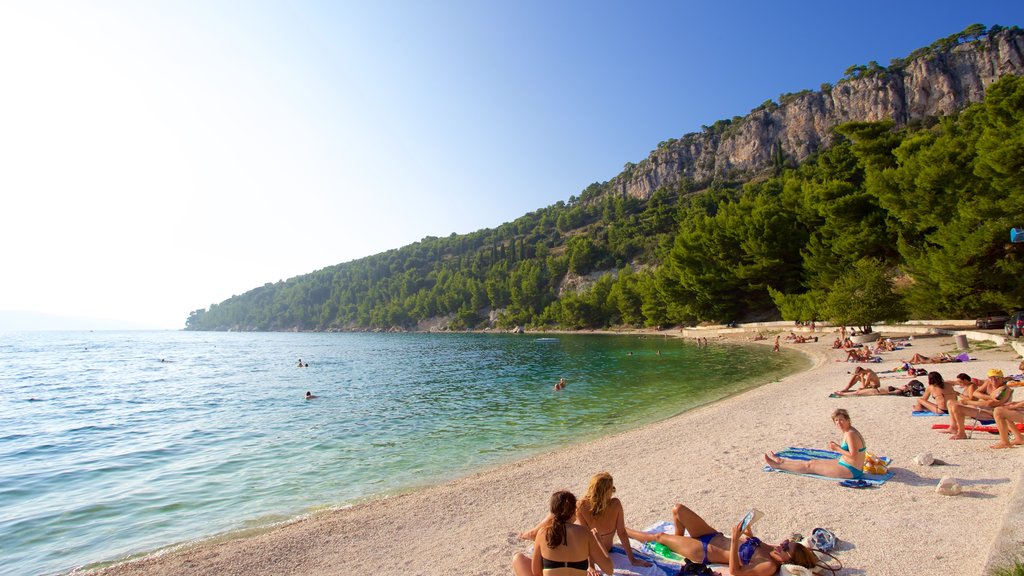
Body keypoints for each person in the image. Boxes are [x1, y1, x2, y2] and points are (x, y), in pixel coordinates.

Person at [625, 503, 819, 576]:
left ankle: (623, 531)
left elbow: (735, 571)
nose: (782, 544)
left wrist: (735, 540)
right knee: (678, 510)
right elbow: (755, 544)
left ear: (788, 561)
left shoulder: (768, 566)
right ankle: (676, 541)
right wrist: (749, 533)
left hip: (703, 550)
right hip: (713, 535)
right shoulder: (772, 550)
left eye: (786, 548)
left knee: (658, 536)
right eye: (786, 542)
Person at [519, 473, 653, 572]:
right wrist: (632, 560)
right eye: (612, 489)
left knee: (518, 558)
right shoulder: (614, 506)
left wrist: (591, 566)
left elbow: (536, 572)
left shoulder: (580, 507)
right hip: (596, 549)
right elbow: (621, 534)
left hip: (583, 548)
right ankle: (532, 532)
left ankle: (532, 532)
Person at [512, 491, 613, 576]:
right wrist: (599, 542)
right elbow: (609, 570)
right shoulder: (585, 532)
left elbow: (536, 571)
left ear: (553, 513)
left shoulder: (543, 533)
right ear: (574, 512)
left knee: (518, 558)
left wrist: (554, 567)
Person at [764, 408, 866, 479]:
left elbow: (854, 456)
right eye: (836, 420)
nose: (839, 423)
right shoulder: (849, 431)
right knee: (813, 461)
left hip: (851, 470)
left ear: (848, 420)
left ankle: (778, 466)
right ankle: (781, 461)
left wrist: (837, 448)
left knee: (810, 467)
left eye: (841, 420)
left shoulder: (850, 434)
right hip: (847, 464)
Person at [946, 369, 1013, 440]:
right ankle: (953, 427)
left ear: (1002, 379)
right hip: (982, 407)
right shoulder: (988, 383)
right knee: (950, 402)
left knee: (957, 407)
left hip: (993, 413)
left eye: (997, 378)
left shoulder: (1003, 390)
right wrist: (990, 397)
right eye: (991, 378)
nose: (994, 380)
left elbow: (990, 404)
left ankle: (961, 433)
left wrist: (968, 402)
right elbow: (975, 393)